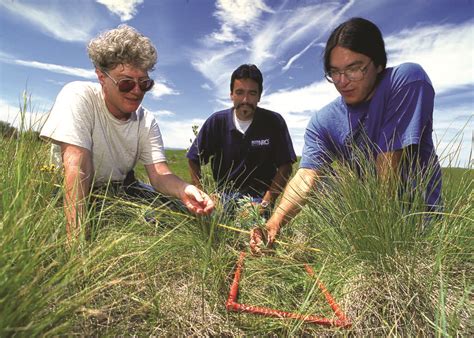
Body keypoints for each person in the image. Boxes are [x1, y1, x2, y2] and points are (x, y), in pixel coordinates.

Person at [250, 17, 442, 253]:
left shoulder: (406, 81)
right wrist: (274, 222)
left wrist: (374, 236)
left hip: (418, 224)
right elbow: (306, 177)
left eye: (354, 69)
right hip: (364, 227)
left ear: (379, 64)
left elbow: (389, 161)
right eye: (335, 72)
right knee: (325, 183)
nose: (342, 82)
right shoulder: (322, 121)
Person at [40, 25, 214, 240]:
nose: (136, 91)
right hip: (68, 189)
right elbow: (77, 165)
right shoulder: (78, 95)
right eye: (126, 83)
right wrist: (76, 244)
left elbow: (160, 175)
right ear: (101, 77)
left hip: (119, 189)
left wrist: (183, 189)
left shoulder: (146, 120)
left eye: (144, 84)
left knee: (175, 213)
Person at [187, 64, 297, 216]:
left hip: (257, 198)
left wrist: (265, 203)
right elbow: (193, 159)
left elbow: (286, 166)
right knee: (203, 216)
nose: (245, 100)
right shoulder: (216, 121)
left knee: (249, 227)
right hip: (223, 195)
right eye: (239, 92)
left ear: (259, 96)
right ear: (231, 94)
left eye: (252, 93)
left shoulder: (273, 122)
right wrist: (202, 196)